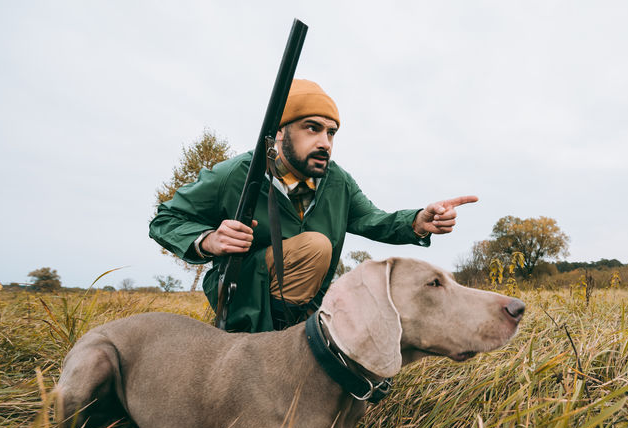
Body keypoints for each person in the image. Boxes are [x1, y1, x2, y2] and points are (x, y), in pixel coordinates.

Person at [150, 79, 477, 332]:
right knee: (315, 247)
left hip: (310, 302)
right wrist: (208, 240)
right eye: (312, 129)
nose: (325, 142)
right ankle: (273, 343)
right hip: (242, 297)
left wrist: (419, 221)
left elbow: (373, 219)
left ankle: (303, 339)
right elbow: (165, 220)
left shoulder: (338, 181)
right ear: (279, 132)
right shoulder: (236, 174)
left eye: (331, 132)